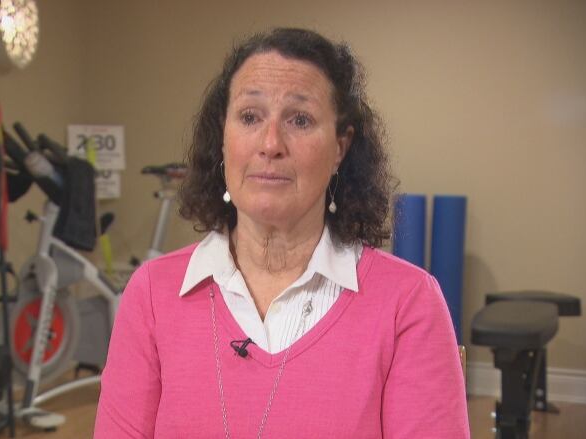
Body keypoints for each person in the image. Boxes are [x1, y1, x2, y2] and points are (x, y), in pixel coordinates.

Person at [94, 28, 469, 438]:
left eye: (300, 120)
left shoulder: (408, 303)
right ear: (223, 138)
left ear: (340, 148)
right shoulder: (151, 293)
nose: (270, 143)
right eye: (250, 117)